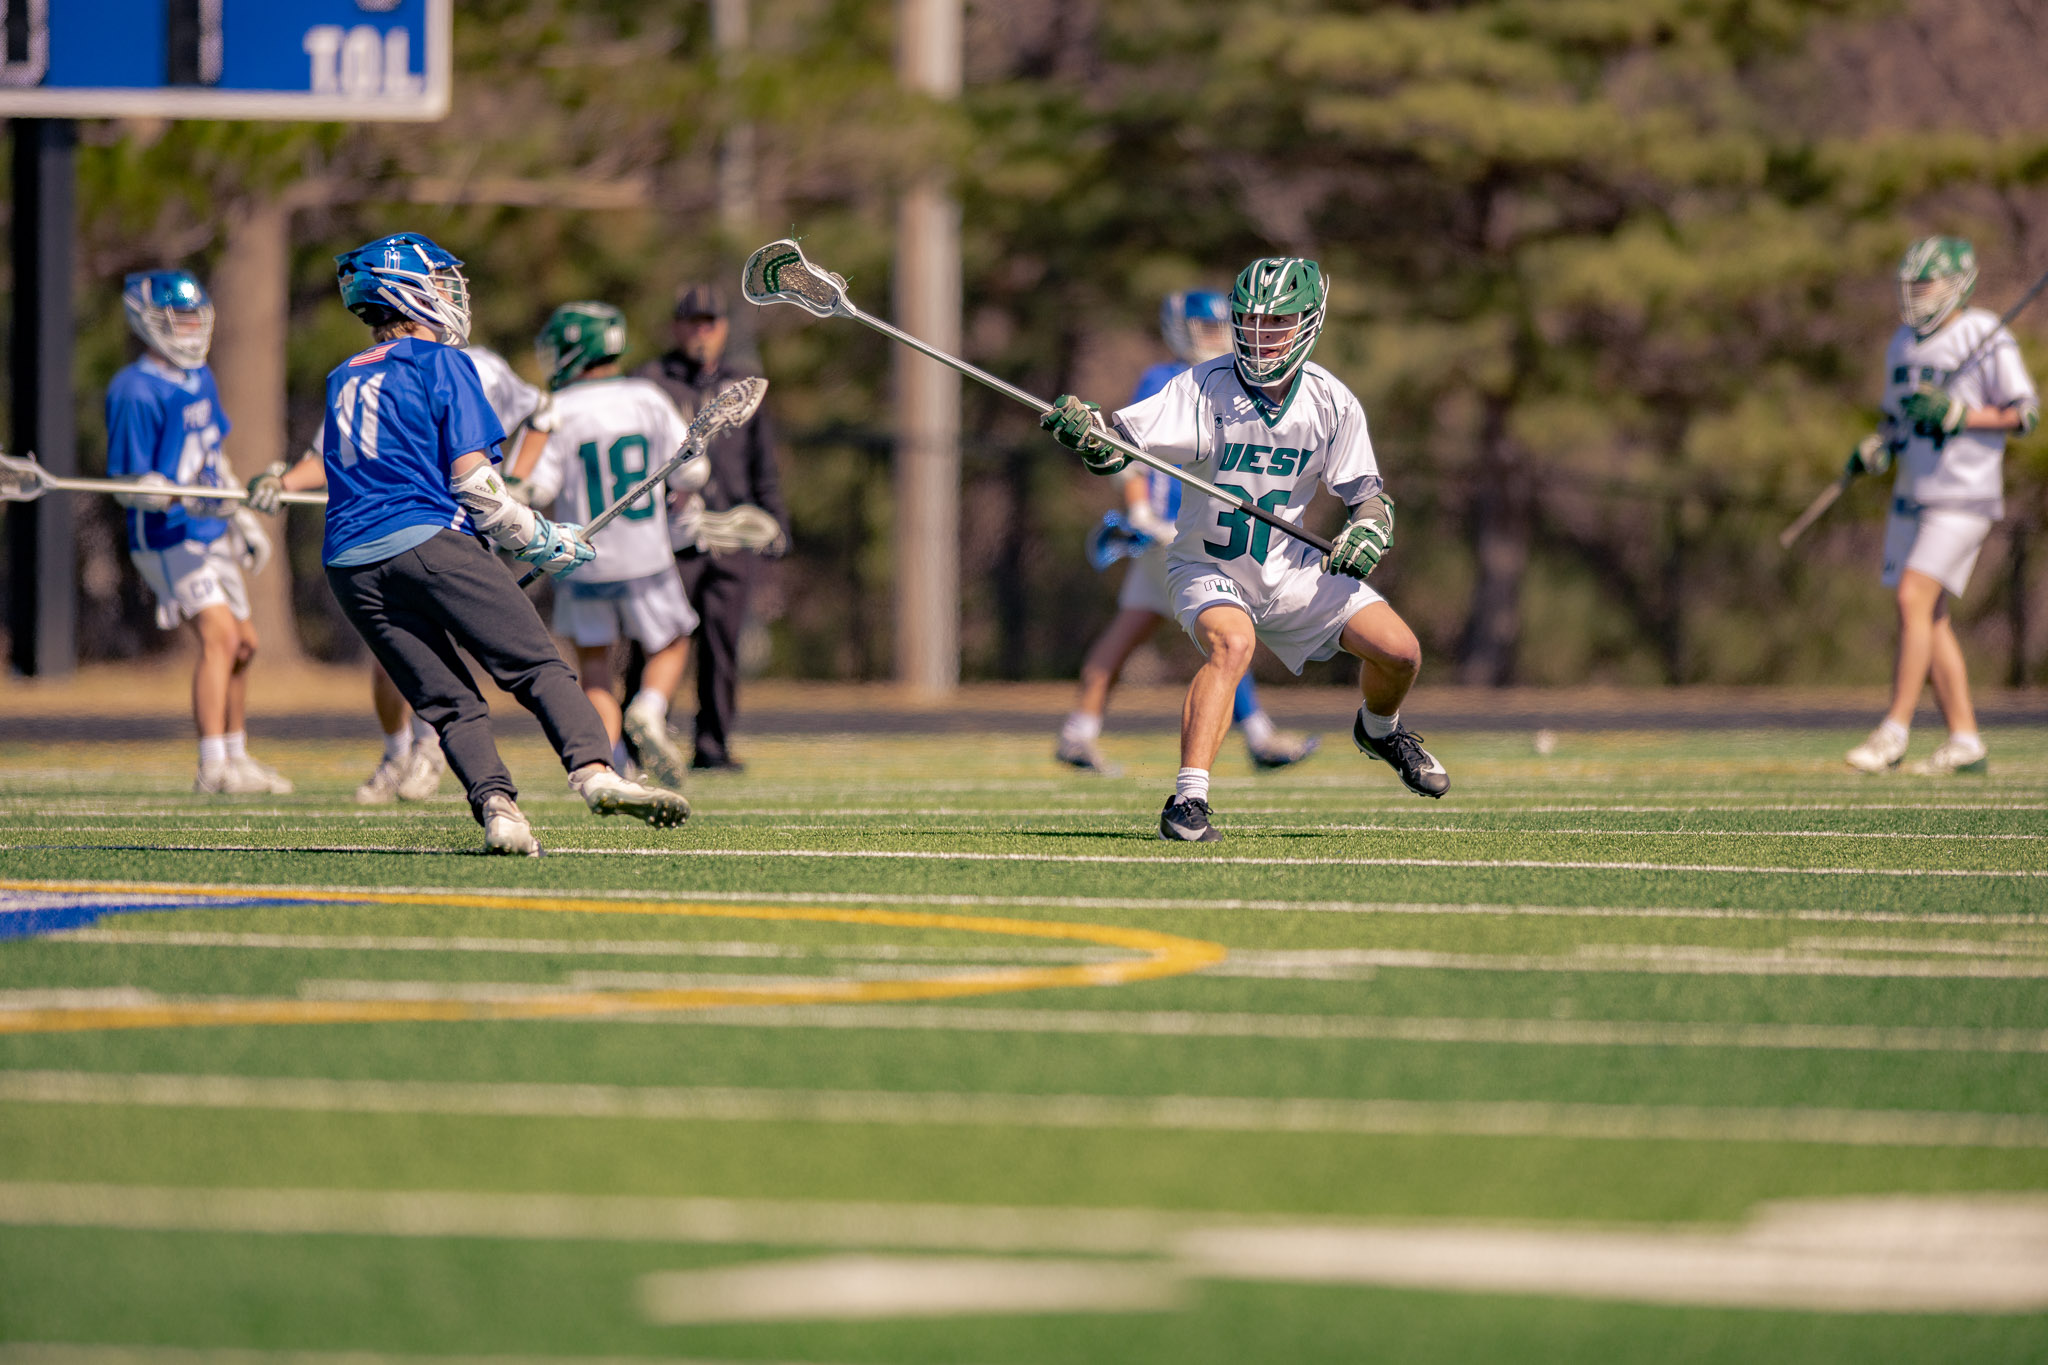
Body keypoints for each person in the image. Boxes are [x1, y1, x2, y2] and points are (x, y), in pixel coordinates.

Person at [269, 231, 687, 854]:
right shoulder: (444, 363)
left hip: (348, 563)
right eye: (438, 281)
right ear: (407, 290)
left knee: (448, 702)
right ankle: (597, 774)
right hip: (428, 541)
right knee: (538, 667)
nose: (450, 292)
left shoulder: (342, 378)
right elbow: (479, 489)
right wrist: (544, 540)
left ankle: (499, 810)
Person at [1042, 256, 1449, 841]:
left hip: (1291, 570)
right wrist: (1088, 436)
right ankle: (1188, 801)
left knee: (1402, 652)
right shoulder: (1204, 386)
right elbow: (1121, 445)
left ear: (1309, 322)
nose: (1260, 338)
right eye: (1250, 323)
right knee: (1233, 643)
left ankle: (1380, 729)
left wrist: (1367, 530)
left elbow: (1368, 497)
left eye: (1276, 324)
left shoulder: (1330, 402)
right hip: (1208, 561)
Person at [250, 342, 555, 805]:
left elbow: (541, 412)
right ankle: (400, 753)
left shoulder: (483, 365)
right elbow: (332, 453)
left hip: (457, 528)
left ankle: (433, 751)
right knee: (393, 658)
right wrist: (282, 482)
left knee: (459, 651)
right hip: (398, 529)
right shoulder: (366, 372)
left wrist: (515, 479)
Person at [1056, 289, 1320, 774]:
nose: (1217, 338)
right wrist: (1140, 512)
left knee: (1134, 628)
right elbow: (1126, 452)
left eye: (1222, 328)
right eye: (1206, 329)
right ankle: (1259, 736)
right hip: (1173, 532)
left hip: (1200, 529)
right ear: (1179, 328)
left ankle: (1079, 730)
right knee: (1227, 629)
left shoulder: (1232, 382)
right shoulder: (1165, 378)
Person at [1843, 236, 2039, 776]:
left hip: (1963, 495)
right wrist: (1877, 447)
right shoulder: (1901, 343)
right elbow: (1897, 422)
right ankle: (1965, 739)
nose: (1916, 295)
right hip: (1914, 495)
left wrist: (1960, 417)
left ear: (1957, 285)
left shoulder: (1982, 333)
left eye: (1926, 284)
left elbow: (2025, 415)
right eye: (1911, 285)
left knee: (1913, 599)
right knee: (1930, 619)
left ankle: (1894, 731)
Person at [106, 269, 291, 796]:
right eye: (176, 319)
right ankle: (212, 766)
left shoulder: (200, 377)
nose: (187, 330)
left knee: (246, 645)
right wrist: (163, 491)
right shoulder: (134, 390)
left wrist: (241, 517)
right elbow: (127, 484)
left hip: (211, 529)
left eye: (193, 319)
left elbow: (214, 456)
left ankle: (235, 756)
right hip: (167, 536)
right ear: (148, 323)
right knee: (221, 637)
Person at [513, 301, 704, 791]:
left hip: (584, 556)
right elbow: (692, 471)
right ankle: (649, 707)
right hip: (646, 555)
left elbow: (534, 487)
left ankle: (614, 762)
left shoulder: (558, 409)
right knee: (673, 641)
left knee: (596, 670)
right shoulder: (646, 397)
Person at [633, 283, 788, 772]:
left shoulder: (745, 384)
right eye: (692, 323)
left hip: (731, 534)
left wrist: (776, 521)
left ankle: (713, 744)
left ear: (722, 329)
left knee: (723, 643)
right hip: (672, 538)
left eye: (710, 324)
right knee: (657, 638)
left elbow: (763, 464)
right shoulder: (651, 382)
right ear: (677, 327)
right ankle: (639, 737)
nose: (701, 333)